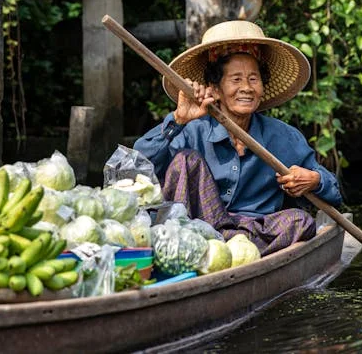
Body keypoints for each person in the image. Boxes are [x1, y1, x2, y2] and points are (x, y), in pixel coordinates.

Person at [134, 20, 343, 256]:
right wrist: (179, 119)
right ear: (215, 88)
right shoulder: (192, 130)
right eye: (236, 80)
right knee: (185, 161)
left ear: (263, 86)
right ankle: (213, 246)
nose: (246, 88)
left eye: (253, 79)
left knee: (301, 221)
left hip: (252, 232)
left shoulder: (283, 136)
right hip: (196, 231)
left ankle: (232, 247)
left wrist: (315, 180)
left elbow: (334, 193)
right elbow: (137, 166)